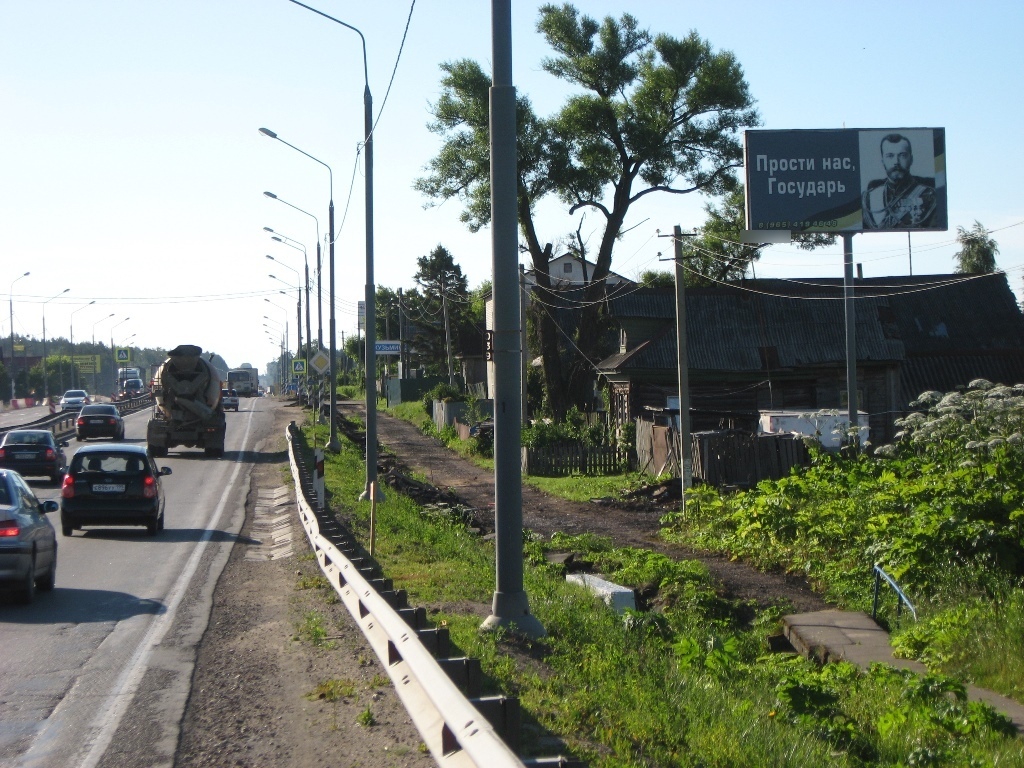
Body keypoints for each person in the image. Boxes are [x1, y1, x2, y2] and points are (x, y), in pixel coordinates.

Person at [862, 133, 938, 229]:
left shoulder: (929, 195)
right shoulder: (869, 197)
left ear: (911, 159)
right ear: (883, 161)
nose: (896, 162)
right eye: (890, 156)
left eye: (902, 155)